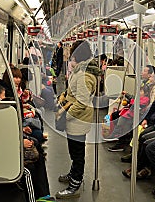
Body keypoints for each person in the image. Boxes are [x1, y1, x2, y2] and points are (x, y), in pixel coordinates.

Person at [55, 40, 101, 199]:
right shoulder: (80, 70)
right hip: (75, 118)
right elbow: (72, 92)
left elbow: (82, 102)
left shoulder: (83, 74)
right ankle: (74, 174)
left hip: (77, 120)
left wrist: (65, 116)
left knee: (77, 152)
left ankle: (75, 183)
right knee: (74, 151)